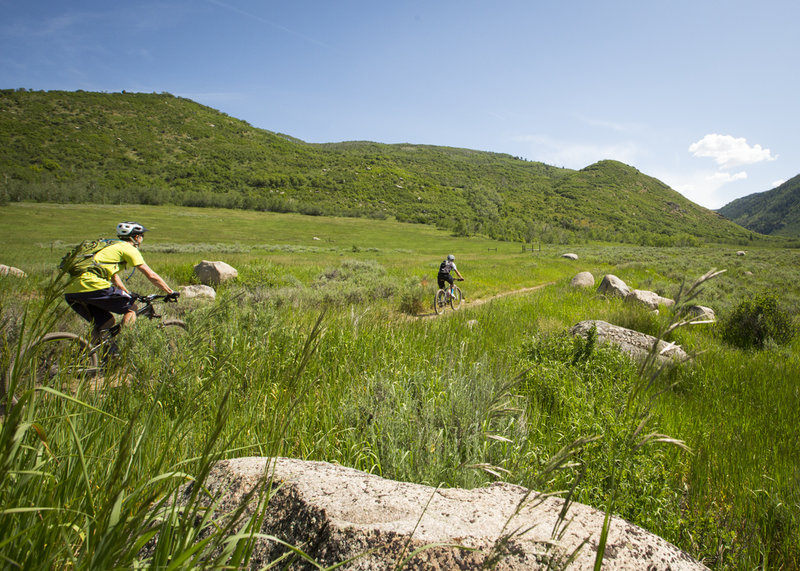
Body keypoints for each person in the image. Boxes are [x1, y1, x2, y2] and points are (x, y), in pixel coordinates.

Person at [64, 221, 178, 345]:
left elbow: (114, 277)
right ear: (136, 237)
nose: (142, 239)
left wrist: (127, 292)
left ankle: (88, 355)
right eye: (142, 236)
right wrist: (170, 291)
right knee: (132, 309)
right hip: (92, 285)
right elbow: (150, 275)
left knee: (105, 323)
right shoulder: (128, 248)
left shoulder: (108, 246)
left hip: (71, 290)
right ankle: (123, 344)